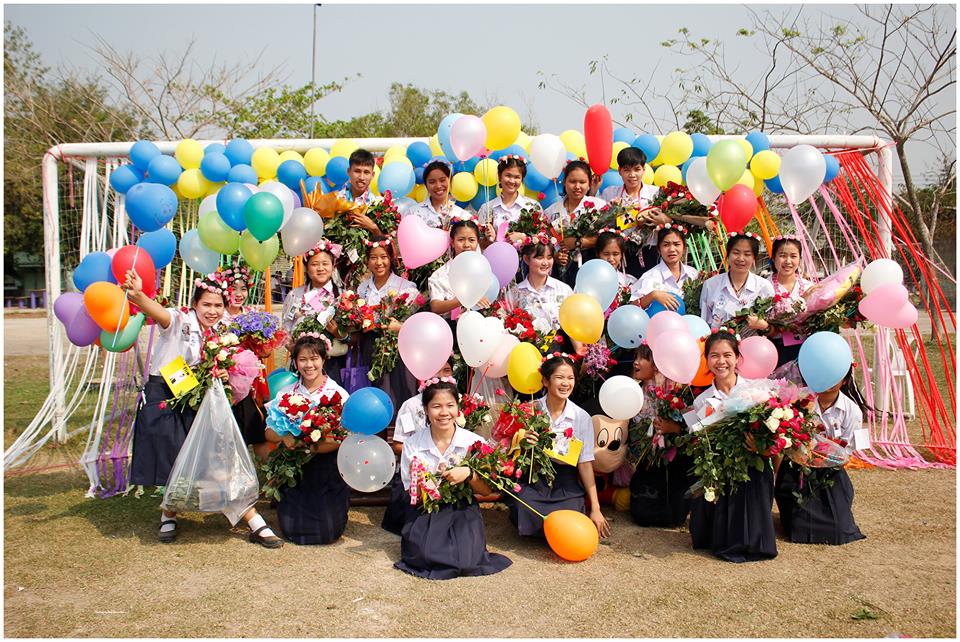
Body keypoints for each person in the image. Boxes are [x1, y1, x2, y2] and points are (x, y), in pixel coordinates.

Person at [121, 270, 282, 548]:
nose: (212, 311)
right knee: (174, 462)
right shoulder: (179, 320)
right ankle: (168, 514)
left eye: (218, 305)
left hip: (200, 399)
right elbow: (159, 313)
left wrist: (223, 374)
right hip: (167, 396)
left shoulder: (221, 332)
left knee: (220, 458)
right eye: (206, 304)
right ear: (194, 303)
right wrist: (138, 296)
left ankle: (253, 519)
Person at [395, 379, 512, 579]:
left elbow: (486, 491)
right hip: (427, 510)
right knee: (425, 556)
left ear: (458, 408)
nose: (444, 412)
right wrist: (424, 482)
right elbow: (415, 496)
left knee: (467, 561)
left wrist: (469, 474)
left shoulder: (473, 442)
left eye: (450, 405)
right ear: (426, 409)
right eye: (436, 406)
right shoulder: (413, 444)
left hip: (463, 510)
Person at [688, 330, 777, 563]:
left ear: (738, 358)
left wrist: (760, 447)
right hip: (723, 468)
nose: (721, 361)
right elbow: (700, 442)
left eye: (727, 355)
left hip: (754, 466)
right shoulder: (701, 400)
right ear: (707, 360)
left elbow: (774, 439)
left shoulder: (757, 392)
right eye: (714, 355)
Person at [507, 354, 610, 540]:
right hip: (535, 478)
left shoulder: (581, 417)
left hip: (565, 481)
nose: (565, 383)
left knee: (570, 513)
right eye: (559, 377)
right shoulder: (530, 410)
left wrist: (595, 508)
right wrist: (523, 440)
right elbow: (510, 448)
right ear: (546, 381)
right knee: (524, 505)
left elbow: (585, 463)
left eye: (570, 378)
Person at [265, 334, 351, 545]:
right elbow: (268, 431)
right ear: (295, 362)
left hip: (325, 465)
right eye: (302, 359)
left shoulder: (338, 394)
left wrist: (313, 446)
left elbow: (343, 438)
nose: (309, 365)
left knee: (329, 530)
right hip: (294, 465)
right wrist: (285, 437)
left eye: (314, 359)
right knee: (291, 527)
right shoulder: (285, 393)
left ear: (324, 359)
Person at [775, 367, 867, 545]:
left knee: (839, 528)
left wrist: (825, 455)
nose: (829, 381)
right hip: (798, 469)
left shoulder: (852, 410)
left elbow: (848, 450)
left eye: (836, 376)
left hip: (830, 471)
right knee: (796, 526)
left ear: (845, 380)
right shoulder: (799, 400)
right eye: (825, 374)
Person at [381, 360, 456, 536]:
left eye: (447, 370)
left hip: (451, 473)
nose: (442, 376)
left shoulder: (459, 403)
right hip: (418, 474)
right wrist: (423, 459)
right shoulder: (411, 406)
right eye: (436, 370)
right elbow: (398, 444)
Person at [627, 344, 696, 528]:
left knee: (674, 514)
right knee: (641, 513)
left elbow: (692, 429)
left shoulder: (676, 392)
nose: (636, 362)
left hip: (673, 461)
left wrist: (673, 428)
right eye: (635, 357)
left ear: (657, 364)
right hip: (647, 461)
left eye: (642, 358)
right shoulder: (632, 391)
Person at [354, 236, 419, 416]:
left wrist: (400, 326)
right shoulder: (362, 289)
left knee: (401, 392)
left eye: (383, 257)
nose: (379, 262)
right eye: (373, 257)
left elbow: (416, 326)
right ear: (367, 261)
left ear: (391, 258)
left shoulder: (406, 287)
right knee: (375, 394)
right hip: (370, 347)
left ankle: (401, 431)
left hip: (398, 349)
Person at [280, 240, 347, 383]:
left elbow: (351, 335)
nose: (320, 268)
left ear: (333, 266)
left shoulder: (343, 296)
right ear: (306, 267)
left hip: (333, 364)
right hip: (302, 364)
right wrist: (293, 348)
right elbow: (285, 330)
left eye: (325, 264)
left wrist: (339, 334)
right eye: (315, 264)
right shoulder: (295, 295)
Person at [503, 236, 578, 354]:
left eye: (549, 257)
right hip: (528, 355)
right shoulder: (515, 293)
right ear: (526, 259)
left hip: (561, 355)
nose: (545, 262)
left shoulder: (563, 290)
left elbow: (575, 324)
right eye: (539, 257)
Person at [600, 146, 668, 273]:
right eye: (626, 170)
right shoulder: (609, 193)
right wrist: (611, 212)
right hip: (619, 254)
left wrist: (660, 220)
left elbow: (669, 221)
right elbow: (599, 224)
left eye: (637, 169)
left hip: (650, 250)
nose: (632, 175)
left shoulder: (656, 193)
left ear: (644, 170)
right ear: (619, 171)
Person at [752, 236, 813, 367]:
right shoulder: (762, 287)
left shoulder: (809, 288)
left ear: (800, 259)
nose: (788, 261)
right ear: (773, 258)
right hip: (772, 350)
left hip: (807, 349)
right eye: (782, 255)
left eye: (793, 256)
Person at [699, 232, 775, 330]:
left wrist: (764, 326)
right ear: (728, 254)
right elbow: (704, 323)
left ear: (754, 258)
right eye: (736, 253)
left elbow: (772, 327)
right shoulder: (710, 285)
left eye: (747, 254)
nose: (741, 259)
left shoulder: (764, 286)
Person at [428, 216, 493, 320]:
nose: (466, 245)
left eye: (471, 240)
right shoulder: (440, 274)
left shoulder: (485, 270)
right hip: (449, 326)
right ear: (452, 242)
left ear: (477, 242)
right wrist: (464, 299)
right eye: (461, 240)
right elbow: (435, 307)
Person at [632, 224, 699, 312]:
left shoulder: (693, 274)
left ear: (684, 248)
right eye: (666, 245)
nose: (672, 249)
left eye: (676, 244)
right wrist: (653, 295)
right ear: (659, 249)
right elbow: (632, 307)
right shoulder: (649, 276)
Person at [477, 155, 538, 245]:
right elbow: (479, 243)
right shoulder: (487, 208)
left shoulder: (532, 207)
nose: (512, 181)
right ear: (499, 176)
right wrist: (490, 239)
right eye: (508, 175)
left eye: (517, 177)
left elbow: (541, 242)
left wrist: (523, 237)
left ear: (522, 179)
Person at [407, 159, 469, 229]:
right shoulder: (413, 213)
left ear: (450, 181)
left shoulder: (462, 216)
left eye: (442, 180)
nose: (438, 186)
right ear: (426, 185)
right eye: (432, 182)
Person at [337, 149, 384, 235]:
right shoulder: (335, 199)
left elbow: (387, 239)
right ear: (349, 172)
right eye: (357, 171)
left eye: (366, 172)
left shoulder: (377, 204)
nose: (361, 177)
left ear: (372, 175)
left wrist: (373, 228)